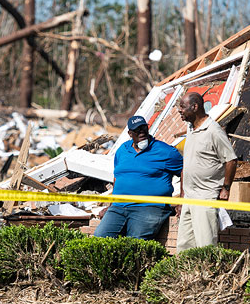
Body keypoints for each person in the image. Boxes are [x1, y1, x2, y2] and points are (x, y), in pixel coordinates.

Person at [94, 115, 183, 240]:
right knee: (100, 237)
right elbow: (118, 178)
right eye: (137, 130)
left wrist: (183, 201)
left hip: (149, 206)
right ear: (130, 133)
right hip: (119, 207)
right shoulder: (122, 150)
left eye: (144, 128)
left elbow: (186, 172)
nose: (142, 132)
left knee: (136, 242)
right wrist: (110, 206)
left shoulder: (165, 151)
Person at [176, 92, 237, 252]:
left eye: (182, 107)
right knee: (184, 246)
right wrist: (182, 196)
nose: (179, 110)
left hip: (205, 196)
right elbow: (187, 164)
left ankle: (207, 276)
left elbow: (231, 160)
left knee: (205, 246)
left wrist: (226, 188)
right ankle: (186, 277)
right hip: (189, 197)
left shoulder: (213, 131)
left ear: (195, 107)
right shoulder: (190, 128)